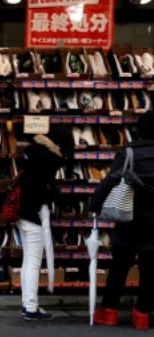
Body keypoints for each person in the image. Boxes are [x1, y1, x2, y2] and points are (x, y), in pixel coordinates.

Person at [91, 113, 154, 331]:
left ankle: (109, 311)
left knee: (119, 267)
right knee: (150, 269)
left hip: (128, 217)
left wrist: (95, 204)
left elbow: (111, 180)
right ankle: (142, 313)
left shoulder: (129, 153)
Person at [17, 125, 74, 321]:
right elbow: (46, 186)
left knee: (27, 261)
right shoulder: (52, 159)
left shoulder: (33, 153)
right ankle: (31, 308)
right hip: (35, 213)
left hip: (22, 212)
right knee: (33, 261)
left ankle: (28, 304)